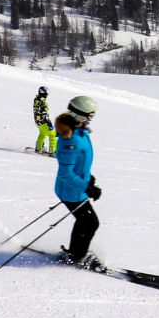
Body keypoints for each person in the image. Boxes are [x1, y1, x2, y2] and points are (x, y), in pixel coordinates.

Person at [53, 97, 101, 268]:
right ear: (79, 115)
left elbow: (80, 162)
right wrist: (86, 187)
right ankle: (75, 256)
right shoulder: (70, 139)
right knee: (89, 222)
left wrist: (89, 178)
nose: (90, 119)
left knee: (86, 222)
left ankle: (76, 254)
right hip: (71, 191)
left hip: (77, 188)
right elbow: (66, 173)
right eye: (89, 115)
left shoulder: (80, 132)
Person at [32, 85, 55, 156]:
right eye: (46, 94)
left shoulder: (37, 99)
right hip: (43, 120)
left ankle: (39, 147)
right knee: (52, 134)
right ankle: (53, 151)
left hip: (38, 121)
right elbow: (43, 111)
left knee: (43, 133)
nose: (47, 95)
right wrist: (47, 120)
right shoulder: (41, 100)